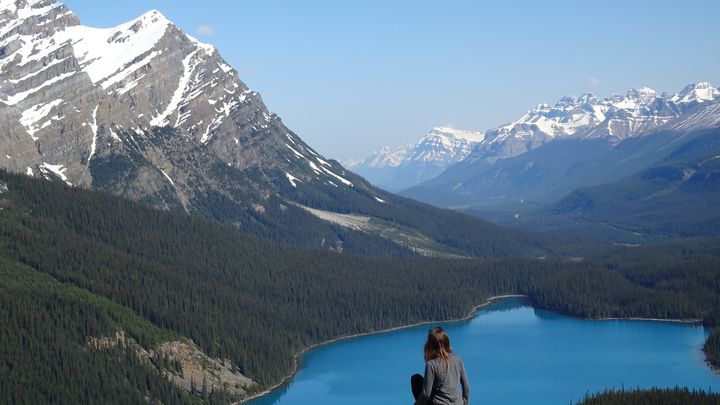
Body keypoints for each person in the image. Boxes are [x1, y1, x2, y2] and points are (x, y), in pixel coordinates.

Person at [411, 327, 470, 405]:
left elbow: (426, 394)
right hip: (458, 403)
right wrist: (464, 402)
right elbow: (466, 386)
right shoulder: (458, 359)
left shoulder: (431, 364)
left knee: (416, 379)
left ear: (430, 345)